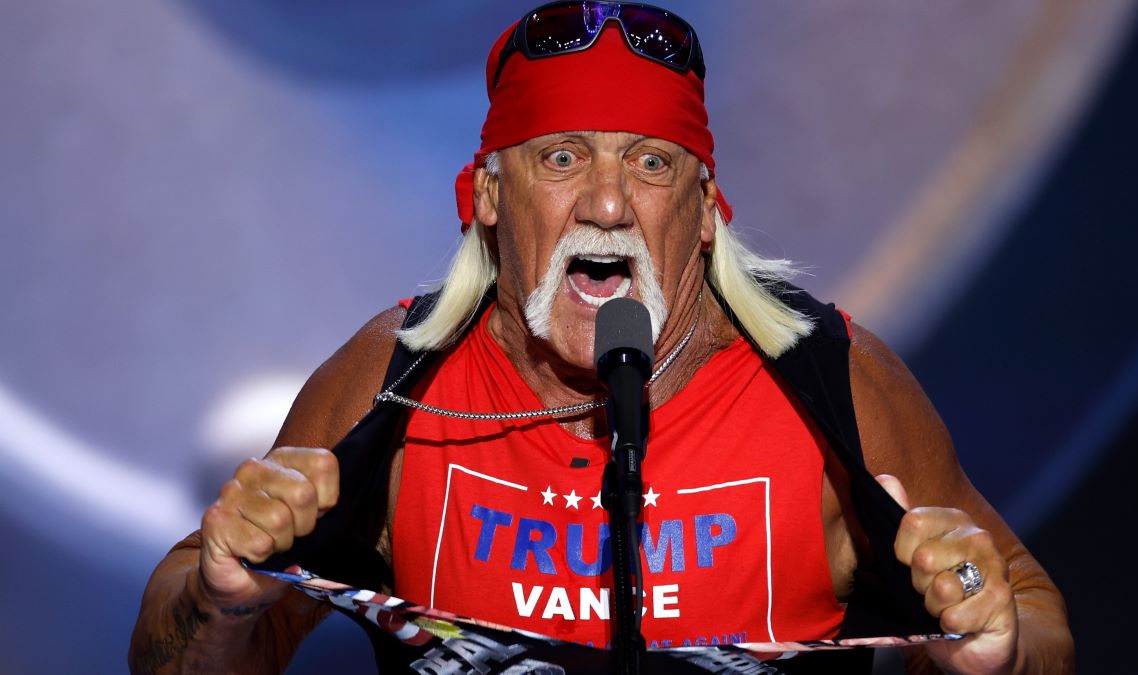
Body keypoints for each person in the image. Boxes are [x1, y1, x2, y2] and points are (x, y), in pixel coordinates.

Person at [129, 2, 1073, 673]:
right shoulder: (394, 382)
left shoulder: (830, 385)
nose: (611, 202)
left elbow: (1027, 614)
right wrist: (221, 593)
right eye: (563, 157)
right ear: (492, 198)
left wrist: (990, 647)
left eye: (653, 163)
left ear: (704, 212)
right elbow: (181, 655)